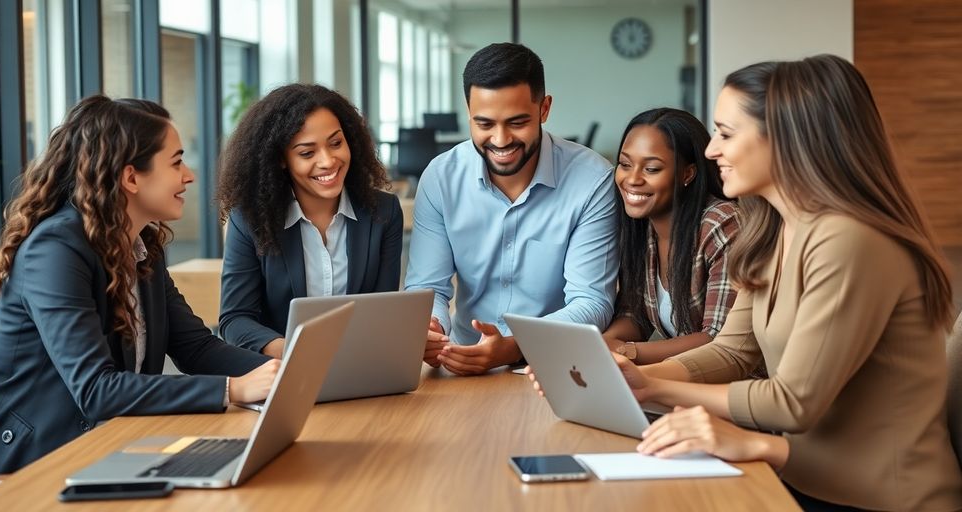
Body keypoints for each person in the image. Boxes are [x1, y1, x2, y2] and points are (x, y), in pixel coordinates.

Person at [530, 55, 962, 511]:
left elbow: (793, 403)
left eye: (726, 134)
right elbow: (733, 351)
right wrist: (631, 380)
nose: (712, 150)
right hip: (803, 477)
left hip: (880, 497)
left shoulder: (848, 240)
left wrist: (654, 388)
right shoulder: (772, 230)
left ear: (790, 140)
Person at [0, 96, 279, 475]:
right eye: (176, 162)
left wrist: (288, 373)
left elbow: (195, 347)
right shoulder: (55, 251)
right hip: (29, 467)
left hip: (110, 447)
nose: (189, 175)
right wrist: (232, 389)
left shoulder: (141, 247)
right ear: (130, 177)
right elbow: (96, 390)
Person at [405, 42, 619, 376]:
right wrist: (431, 329)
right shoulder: (441, 177)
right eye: (485, 124)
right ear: (468, 111)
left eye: (517, 122)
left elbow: (592, 302)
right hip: (460, 364)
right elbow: (427, 288)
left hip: (553, 367)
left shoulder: (592, 180)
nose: (501, 140)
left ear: (544, 109)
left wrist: (517, 344)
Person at [216, 84, 402, 358]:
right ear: (281, 159)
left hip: (361, 363)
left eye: (336, 143)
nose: (328, 161)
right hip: (284, 370)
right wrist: (297, 351)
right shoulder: (250, 220)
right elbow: (235, 320)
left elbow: (383, 310)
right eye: (306, 153)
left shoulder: (383, 213)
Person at [603, 108, 740, 365]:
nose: (632, 179)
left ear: (687, 173)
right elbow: (635, 313)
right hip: (683, 382)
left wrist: (626, 351)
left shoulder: (722, 225)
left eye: (652, 169)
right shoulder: (642, 225)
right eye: (624, 164)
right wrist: (603, 343)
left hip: (734, 387)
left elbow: (718, 339)